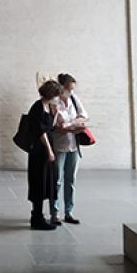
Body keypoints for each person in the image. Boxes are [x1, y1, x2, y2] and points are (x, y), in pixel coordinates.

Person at [50, 73, 88, 225]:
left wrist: (75, 123)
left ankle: (69, 211)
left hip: (73, 144)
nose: (71, 92)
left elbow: (83, 115)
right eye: (69, 89)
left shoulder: (74, 99)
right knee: (56, 180)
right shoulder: (54, 102)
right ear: (62, 88)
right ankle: (54, 212)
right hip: (59, 145)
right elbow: (53, 125)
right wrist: (65, 127)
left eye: (73, 89)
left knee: (70, 179)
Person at [27, 80, 62, 230]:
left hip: (47, 149)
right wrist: (49, 150)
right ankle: (37, 218)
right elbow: (41, 132)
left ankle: (40, 215)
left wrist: (56, 113)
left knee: (47, 181)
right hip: (40, 151)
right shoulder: (37, 107)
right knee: (39, 181)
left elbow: (50, 127)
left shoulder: (48, 106)